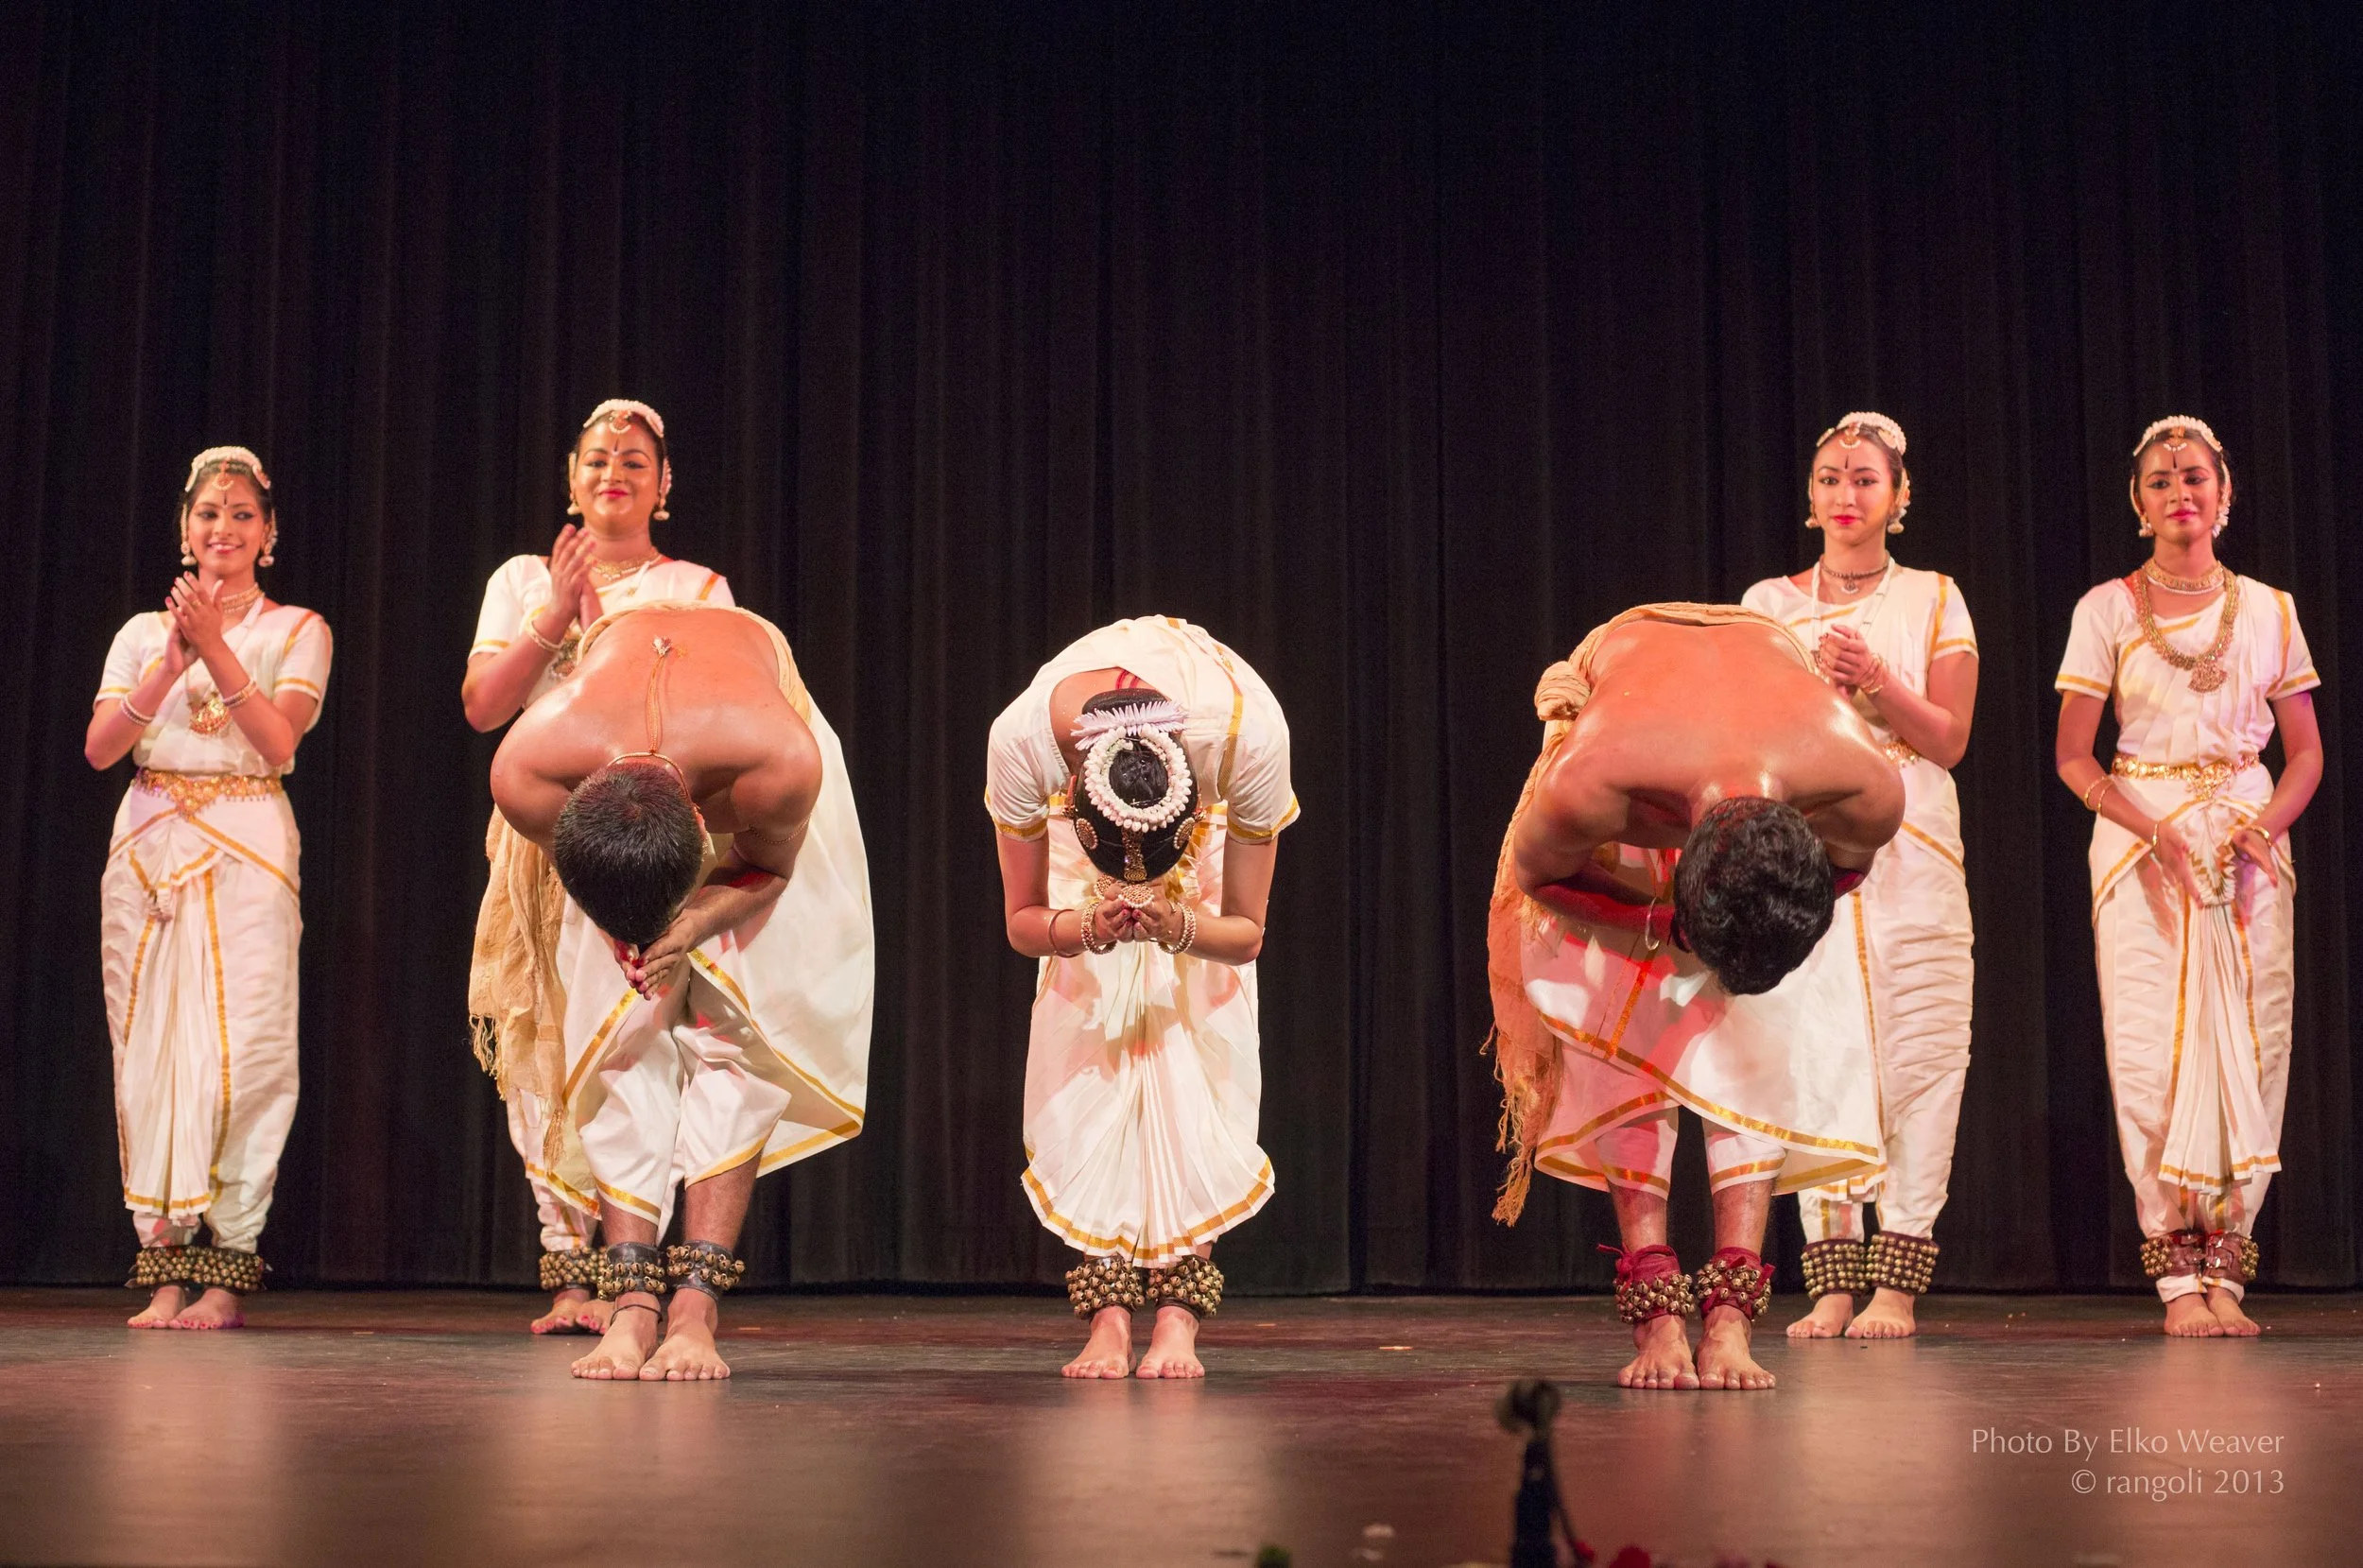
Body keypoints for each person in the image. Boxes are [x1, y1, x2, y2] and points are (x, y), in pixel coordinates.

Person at [1490, 603, 1903, 1389]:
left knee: (1757, 1031)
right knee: (1626, 1012)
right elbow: (1537, 875)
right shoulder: (1597, 779)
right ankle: (1657, 1319)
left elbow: (1848, 868)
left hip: (1764, 682)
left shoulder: (1862, 780)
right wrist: (1655, 919)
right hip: (1631, 687)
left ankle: (1731, 1320)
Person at [489, 599, 872, 1380]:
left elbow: (769, 867)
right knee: (616, 1029)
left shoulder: (778, 764)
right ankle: (632, 1303)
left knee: (739, 1031)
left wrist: (691, 924)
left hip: (750, 737)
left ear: (703, 822)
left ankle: (696, 1308)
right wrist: (625, 935)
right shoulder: (529, 768)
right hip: (617, 761)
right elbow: (584, 874)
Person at [463, 397, 733, 1335]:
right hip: (544, 836)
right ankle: (572, 1271)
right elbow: (483, 707)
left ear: (664, 485)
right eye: (596, 459)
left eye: (633, 460)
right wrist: (555, 616)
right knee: (548, 1038)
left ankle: (642, 1268)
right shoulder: (520, 579)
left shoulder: (696, 588)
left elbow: (718, 706)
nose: (613, 471)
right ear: (570, 480)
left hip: (650, 838)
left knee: (640, 1040)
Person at [2054, 415, 2320, 1338]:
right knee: (2151, 1054)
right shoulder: (2104, 609)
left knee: (2250, 1046)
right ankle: (2175, 1275)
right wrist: (2155, 830)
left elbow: (2305, 755)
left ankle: (2229, 1269)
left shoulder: (2271, 608)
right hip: (2142, 844)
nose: (2180, 493)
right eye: (2161, 481)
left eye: (2195, 477)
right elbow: (2074, 757)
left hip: (2246, 842)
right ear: (2139, 504)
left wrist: (2261, 828)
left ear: (2225, 493)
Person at [986, 618, 1296, 1379]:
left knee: (1197, 1052)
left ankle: (1180, 1318)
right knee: (1085, 1043)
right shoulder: (1025, 744)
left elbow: (1247, 933)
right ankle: (1108, 1317)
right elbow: (1022, 922)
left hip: (1203, 826)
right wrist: (1086, 927)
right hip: (1089, 832)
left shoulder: (1246, 737)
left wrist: (1180, 926)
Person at [1741, 413, 1978, 1341]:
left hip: (1915, 839)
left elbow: (1950, 739)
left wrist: (1877, 679)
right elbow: (1750, 727)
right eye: (1831, 478)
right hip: (1812, 840)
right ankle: (1833, 1280)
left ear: (1898, 496)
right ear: (1810, 497)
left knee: (1921, 1043)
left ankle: (1899, 1280)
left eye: (1866, 479)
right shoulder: (1767, 603)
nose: (1847, 494)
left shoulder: (1935, 597)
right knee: (1817, 1041)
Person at [85, 447, 333, 1330]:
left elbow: (280, 743)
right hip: (148, 846)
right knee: (151, 1056)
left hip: (248, 842)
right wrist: (170, 660)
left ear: (269, 533)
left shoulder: (298, 629)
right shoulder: (137, 634)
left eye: (241, 514)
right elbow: (101, 749)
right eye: (207, 513)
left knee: (244, 1056)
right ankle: (163, 1266)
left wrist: (218, 649)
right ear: (184, 529)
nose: (222, 528)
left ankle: (228, 1265)